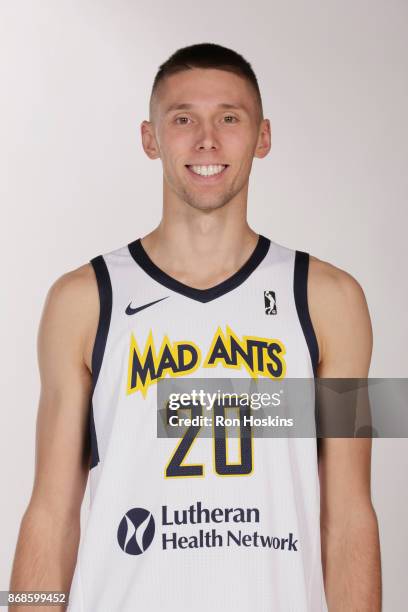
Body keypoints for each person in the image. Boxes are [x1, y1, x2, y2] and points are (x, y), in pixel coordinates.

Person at [9, 43, 381, 611]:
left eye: (229, 118)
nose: (207, 140)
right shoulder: (81, 300)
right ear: (149, 138)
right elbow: (51, 513)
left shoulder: (332, 299)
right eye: (183, 119)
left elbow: (351, 515)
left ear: (263, 137)